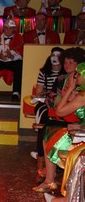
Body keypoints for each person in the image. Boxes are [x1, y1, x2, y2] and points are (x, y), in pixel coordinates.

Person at [35, 62, 85, 193]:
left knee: (50, 135)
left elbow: (60, 111)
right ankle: (49, 179)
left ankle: (50, 180)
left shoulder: (82, 96)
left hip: (81, 135)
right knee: (49, 132)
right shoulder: (81, 94)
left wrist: (68, 90)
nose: (76, 76)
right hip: (79, 129)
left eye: (78, 74)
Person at [30, 47, 66, 176]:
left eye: (58, 56)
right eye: (53, 55)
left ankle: (51, 152)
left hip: (61, 104)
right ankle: (41, 154)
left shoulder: (66, 74)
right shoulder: (44, 72)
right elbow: (38, 92)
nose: (55, 58)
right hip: (45, 103)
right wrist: (46, 94)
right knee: (44, 120)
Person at [0, 17, 24, 102]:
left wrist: (12, 56)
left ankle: (16, 93)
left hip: (12, 61)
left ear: (14, 29)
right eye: (6, 28)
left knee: (20, 65)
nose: (8, 31)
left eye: (10, 28)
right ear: (3, 28)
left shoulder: (19, 38)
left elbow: (21, 55)